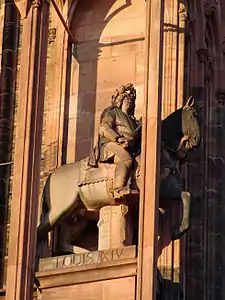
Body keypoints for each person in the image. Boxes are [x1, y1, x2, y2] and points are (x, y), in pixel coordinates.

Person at [97, 86, 139, 198]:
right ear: (121, 101)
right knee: (127, 159)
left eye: (131, 100)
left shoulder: (133, 121)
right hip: (111, 144)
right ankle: (118, 188)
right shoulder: (114, 112)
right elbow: (103, 128)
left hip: (129, 147)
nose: (129, 102)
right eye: (126, 99)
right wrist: (118, 139)